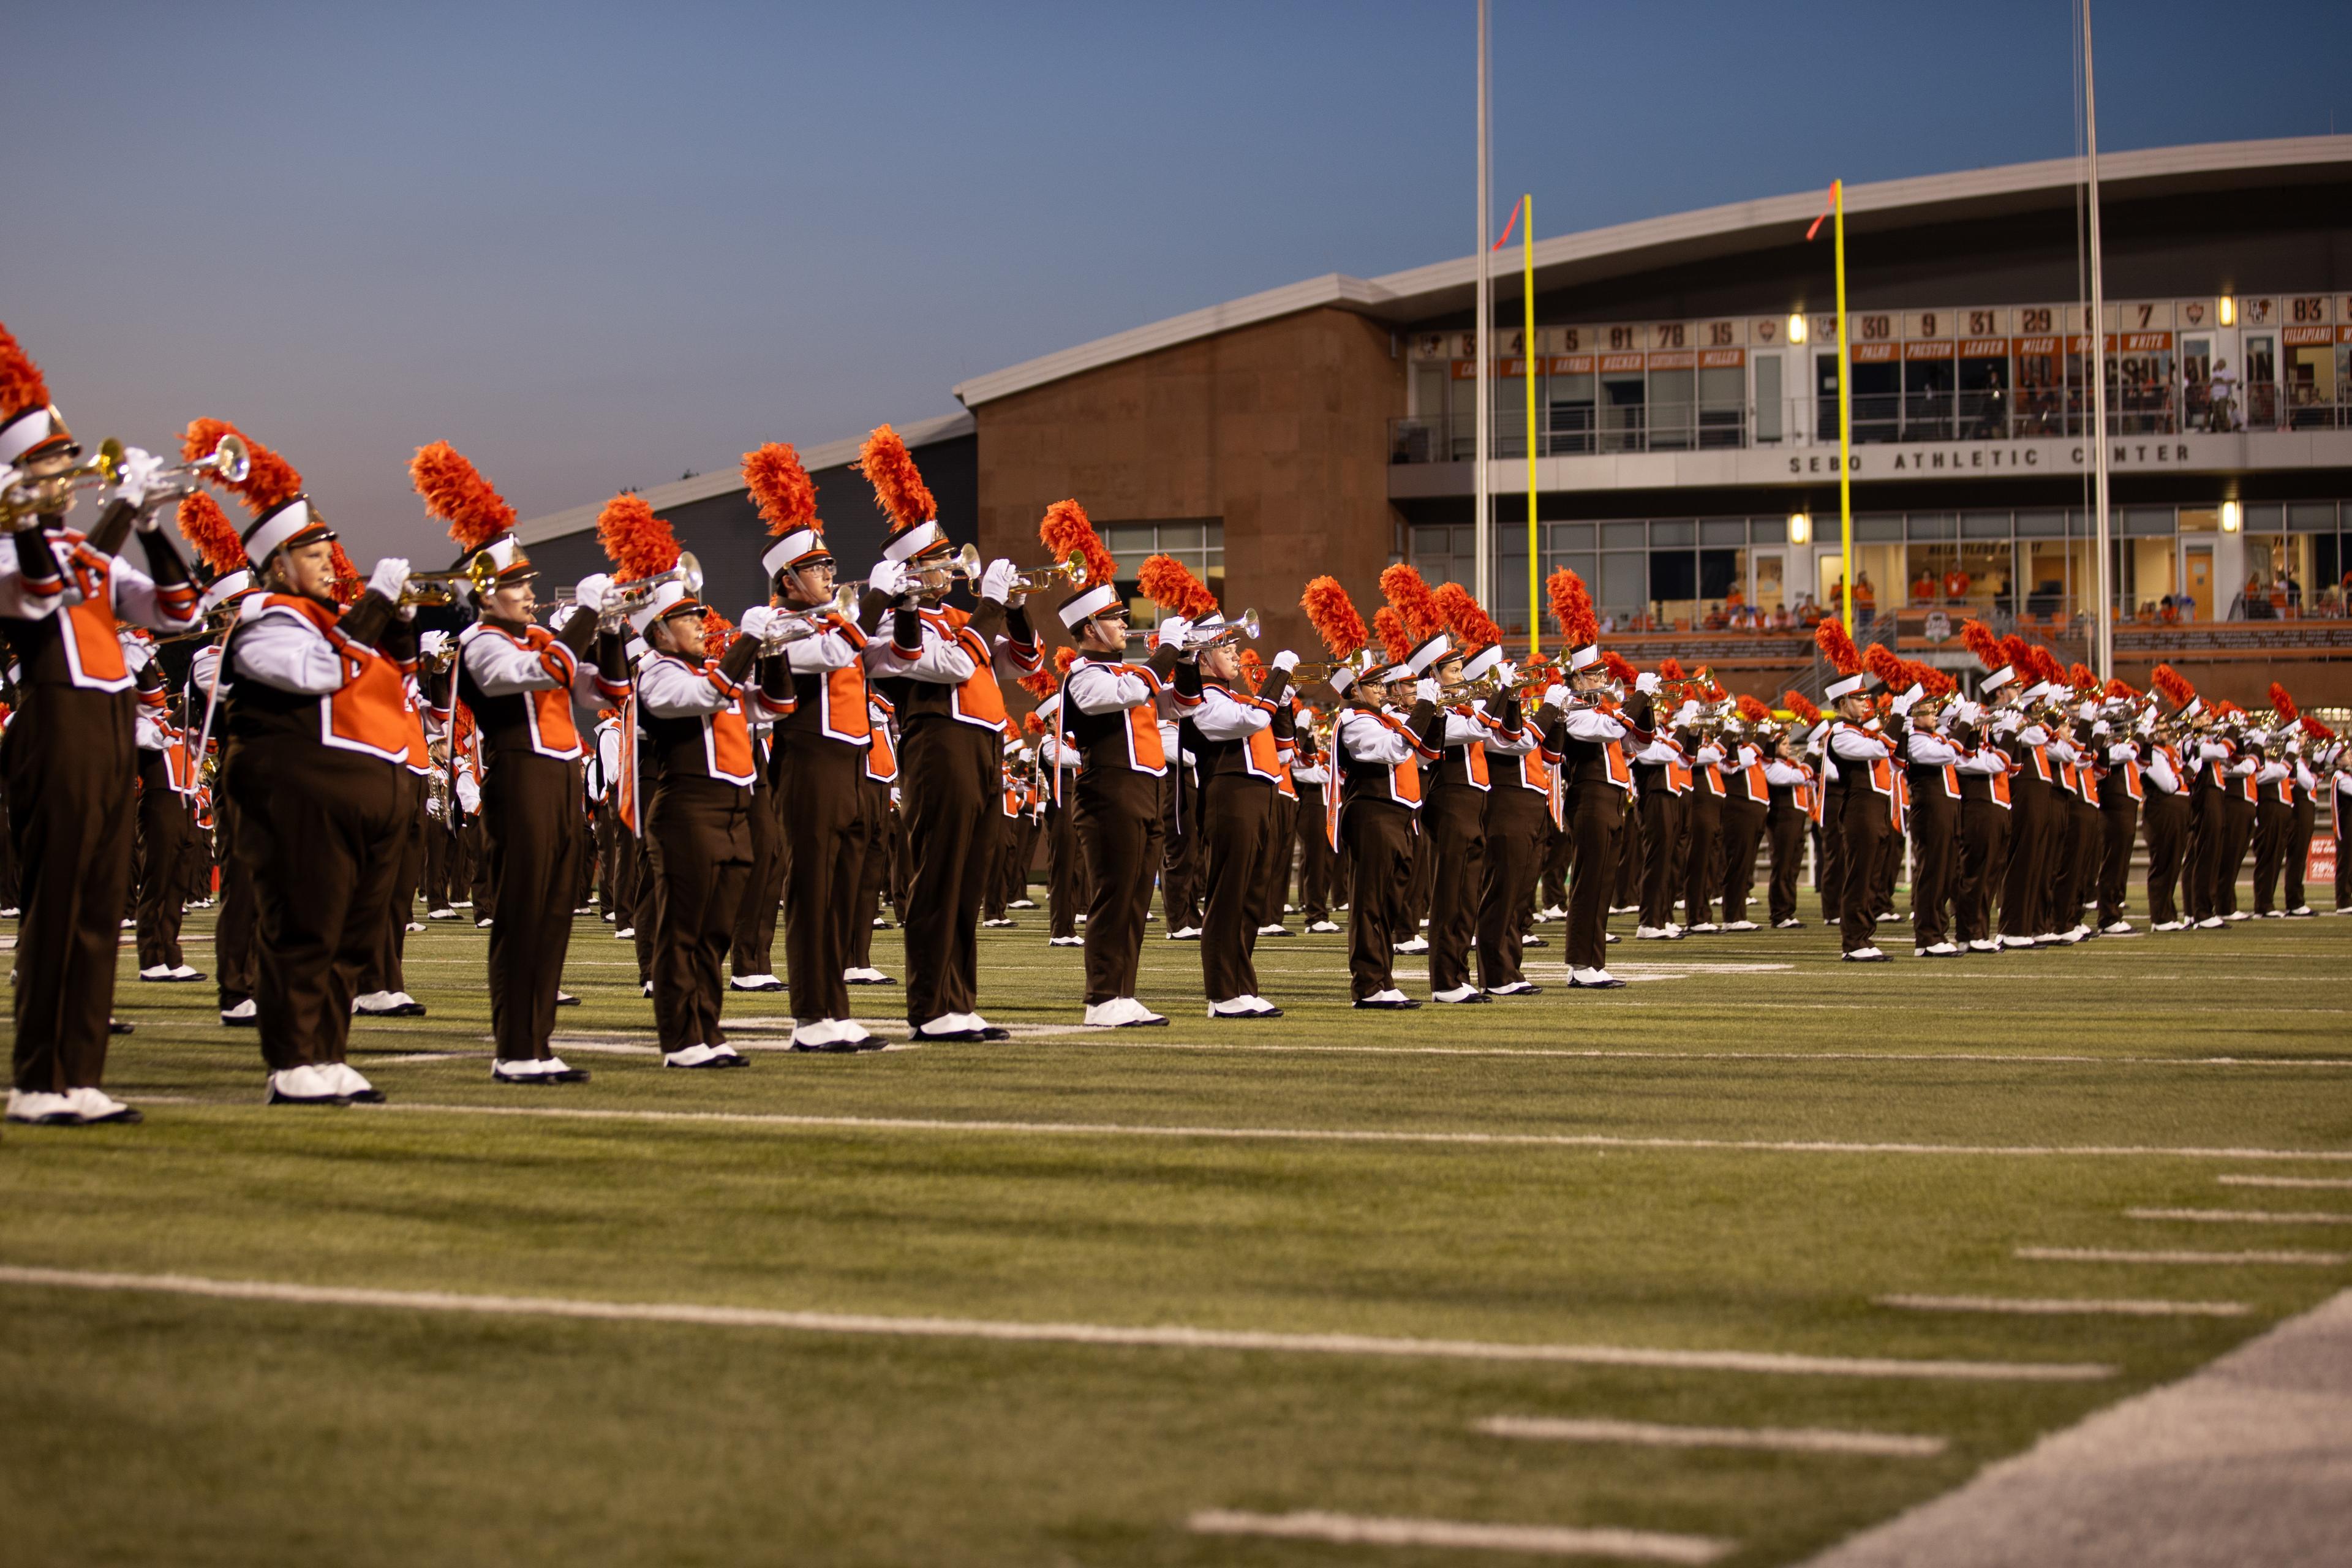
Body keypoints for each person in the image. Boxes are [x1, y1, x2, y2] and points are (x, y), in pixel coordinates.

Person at [1, 341, 203, 1125]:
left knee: (98, 907)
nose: (66, 480)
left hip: (112, 729)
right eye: (51, 468)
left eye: (66, 466)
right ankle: (36, 1078)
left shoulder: (90, 551)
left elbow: (179, 611)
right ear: (21, 478)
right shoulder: (20, 544)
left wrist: (153, 526)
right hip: (55, 723)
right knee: (57, 905)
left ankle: (79, 1071)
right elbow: (43, 593)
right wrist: (119, 512)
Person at [211, 431, 420, 1104]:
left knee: (352, 936)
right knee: (306, 923)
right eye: (314, 553)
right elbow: (321, 675)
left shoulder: (333, 618)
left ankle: (328, 1053)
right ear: (277, 563)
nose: (332, 565)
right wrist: (377, 605)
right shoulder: (266, 616)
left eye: (331, 552)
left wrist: (399, 619)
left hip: (366, 794)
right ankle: (293, 1057)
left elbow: (401, 675)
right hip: (304, 792)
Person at [429, 443, 615, 1083]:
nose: (533, 596)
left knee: (559, 909)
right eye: (521, 585)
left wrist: (608, 628)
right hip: (522, 777)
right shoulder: (479, 643)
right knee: (522, 913)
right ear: (488, 591)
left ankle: (539, 1041)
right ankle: (514, 1047)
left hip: (562, 778)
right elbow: (542, 675)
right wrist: (586, 615)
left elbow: (603, 690)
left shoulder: (539, 636)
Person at [858, 427, 1038, 1042]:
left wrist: (1013, 606)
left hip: (983, 746)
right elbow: (953, 663)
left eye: (944, 558)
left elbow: (1027, 663)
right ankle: (930, 1004)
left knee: (971, 877)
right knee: (937, 875)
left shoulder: (961, 617)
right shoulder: (892, 625)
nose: (948, 568)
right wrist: (988, 607)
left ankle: (959, 999)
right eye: (936, 561)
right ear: (910, 570)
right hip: (940, 747)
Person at [747, 445, 889, 1051]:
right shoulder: (781, 629)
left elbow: (889, 654)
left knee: (844, 891)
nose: (832, 576)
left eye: (832, 566)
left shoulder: (834, 623)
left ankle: (835, 1006)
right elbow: (834, 653)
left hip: (854, 764)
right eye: (819, 568)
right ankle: (810, 1014)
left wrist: (902, 602)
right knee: (813, 890)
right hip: (809, 765)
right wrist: (877, 600)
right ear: (788, 580)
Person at [628, 571, 788, 1067]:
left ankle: (706, 1028)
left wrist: (775, 650)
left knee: (716, 931)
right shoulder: (657, 674)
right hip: (688, 810)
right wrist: (748, 642)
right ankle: (680, 1038)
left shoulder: (712, 672)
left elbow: (778, 706)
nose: (700, 623)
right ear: (658, 630)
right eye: (686, 617)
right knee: (685, 930)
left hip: (733, 814)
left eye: (700, 614)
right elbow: (709, 698)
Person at [1058, 582, 1177, 1025]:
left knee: (1136, 899)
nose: (1125, 624)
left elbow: (1178, 706)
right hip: (1109, 792)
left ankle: (1122, 993)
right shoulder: (1084, 674)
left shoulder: (1130, 676)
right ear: (1090, 629)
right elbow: (1130, 693)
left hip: (1146, 792)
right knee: (1114, 896)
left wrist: (1183, 662)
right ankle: (1102, 997)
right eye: (1114, 619)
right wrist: (1165, 652)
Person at [1171, 611, 1289, 1019]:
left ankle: (1242, 985)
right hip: (1230, 798)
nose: (1236, 654)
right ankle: (1222, 993)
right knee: (1228, 897)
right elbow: (1249, 721)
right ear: (1202, 658)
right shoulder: (1202, 698)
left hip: (1257, 796)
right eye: (1226, 648)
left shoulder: (1233, 695)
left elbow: (1282, 747)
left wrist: (1283, 703)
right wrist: (1278, 680)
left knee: (1251, 897)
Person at [1332, 660, 1439, 1007]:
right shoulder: (1355, 720)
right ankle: (1367, 985)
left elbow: (1426, 755)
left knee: (1390, 905)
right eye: (1373, 684)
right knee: (1370, 903)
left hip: (1399, 817)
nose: (1382, 690)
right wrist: (1424, 705)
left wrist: (1434, 713)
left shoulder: (1386, 719)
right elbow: (1396, 748)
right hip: (1373, 814)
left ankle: (1383, 979)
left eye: (1381, 684)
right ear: (1354, 690)